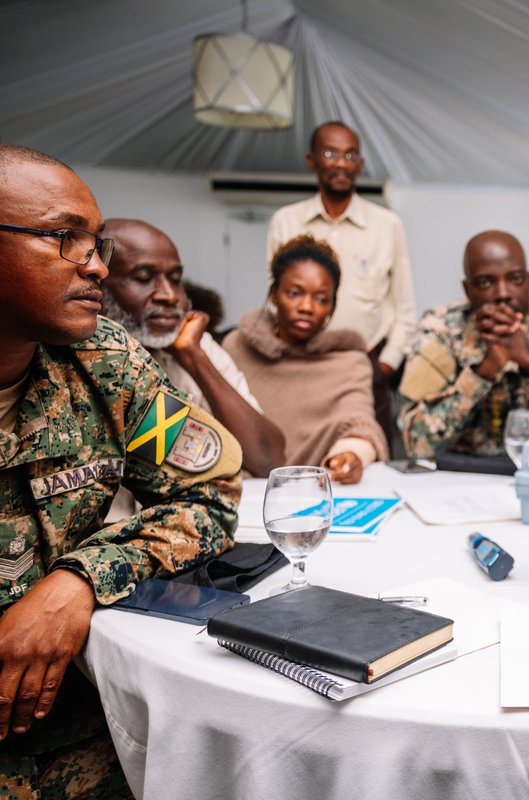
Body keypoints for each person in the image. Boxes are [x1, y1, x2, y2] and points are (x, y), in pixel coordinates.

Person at [0, 143, 241, 796]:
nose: (97, 266)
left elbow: (210, 497)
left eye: (97, 243)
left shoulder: (107, 360)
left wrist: (78, 579)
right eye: (64, 239)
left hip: (81, 744)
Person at [267, 120, 416, 455]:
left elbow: (405, 309)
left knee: (368, 459)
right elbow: (273, 300)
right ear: (312, 160)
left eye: (350, 155)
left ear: (360, 165)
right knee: (302, 460)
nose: (340, 163)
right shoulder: (285, 221)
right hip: (299, 366)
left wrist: (384, 367)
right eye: (330, 153)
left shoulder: (387, 225)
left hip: (366, 368)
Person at [101, 218, 286, 478]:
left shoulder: (194, 345)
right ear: (97, 285)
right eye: (144, 278)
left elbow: (268, 459)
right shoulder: (75, 358)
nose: (170, 295)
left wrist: (193, 357)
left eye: (175, 279)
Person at [399, 230, 529, 459]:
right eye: (486, 282)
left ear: (528, 281)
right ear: (468, 290)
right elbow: (416, 445)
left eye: (515, 279)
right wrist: (485, 371)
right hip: (460, 476)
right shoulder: (440, 333)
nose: (503, 294)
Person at [224, 235, 387, 484]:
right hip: (243, 491)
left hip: (318, 492)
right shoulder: (237, 348)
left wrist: (351, 454)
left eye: (321, 299)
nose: (307, 307)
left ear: (333, 306)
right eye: (294, 293)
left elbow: (359, 422)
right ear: (273, 294)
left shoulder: (349, 361)